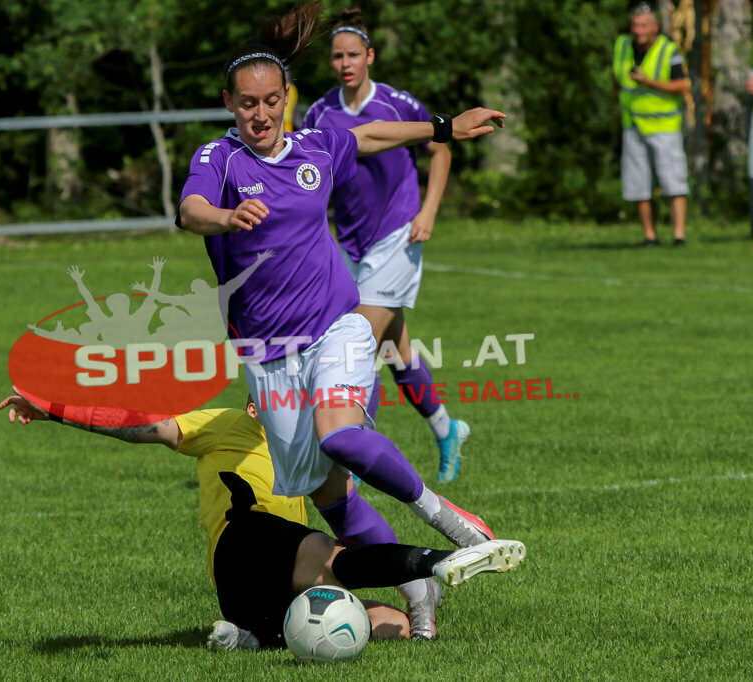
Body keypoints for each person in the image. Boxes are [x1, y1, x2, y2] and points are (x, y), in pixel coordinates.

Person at [177, 0, 506, 638]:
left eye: (271, 101)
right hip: (268, 356)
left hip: (336, 327)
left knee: (339, 435)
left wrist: (444, 127)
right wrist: (224, 217)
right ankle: (417, 589)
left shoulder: (315, 145)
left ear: (287, 98)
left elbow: (373, 135)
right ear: (229, 102)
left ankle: (446, 518)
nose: (261, 114)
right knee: (331, 498)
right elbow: (190, 209)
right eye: (248, 103)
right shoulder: (219, 159)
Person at [0, 387, 526, 651]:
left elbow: (351, 509)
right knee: (329, 558)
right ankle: (443, 560)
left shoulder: (306, 450)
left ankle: (253, 637)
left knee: (394, 625)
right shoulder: (223, 424)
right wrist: (55, 410)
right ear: (255, 408)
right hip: (245, 540)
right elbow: (142, 426)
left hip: (256, 593)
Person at [303, 8, 468, 483]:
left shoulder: (398, 103)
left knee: (357, 347)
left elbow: (441, 147)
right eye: (338, 56)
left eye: (354, 55)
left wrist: (429, 210)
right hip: (350, 245)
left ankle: (351, 465)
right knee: (396, 351)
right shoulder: (319, 113)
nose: (345, 63)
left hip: (398, 235)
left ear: (370, 56)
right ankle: (447, 429)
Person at [612, 2, 690, 246]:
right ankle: (650, 236)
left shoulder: (668, 49)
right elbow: (615, 78)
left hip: (664, 127)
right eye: (635, 25)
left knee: (673, 182)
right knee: (638, 184)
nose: (638, 30)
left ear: (655, 27)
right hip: (633, 124)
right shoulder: (622, 44)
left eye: (644, 26)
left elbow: (683, 85)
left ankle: (678, 236)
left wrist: (649, 83)